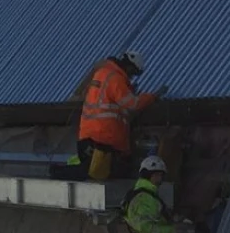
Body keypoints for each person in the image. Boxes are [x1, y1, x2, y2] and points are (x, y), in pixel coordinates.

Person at [66, 50, 161, 181]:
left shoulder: (102, 74)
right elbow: (132, 104)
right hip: (104, 141)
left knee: (93, 174)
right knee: (115, 174)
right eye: (133, 73)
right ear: (129, 67)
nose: (131, 77)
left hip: (88, 139)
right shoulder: (116, 78)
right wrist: (152, 97)